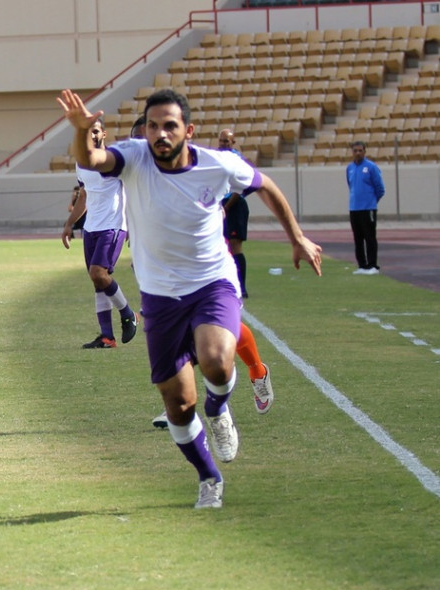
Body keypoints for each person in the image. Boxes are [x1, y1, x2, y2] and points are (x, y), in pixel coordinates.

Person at [58, 87, 323, 509]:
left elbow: (266, 185)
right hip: (161, 296)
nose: (160, 133)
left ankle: (218, 408)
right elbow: (91, 161)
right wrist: (80, 131)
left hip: (212, 283)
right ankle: (209, 477)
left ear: (188, 130)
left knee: (217, 361)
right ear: (144, 129)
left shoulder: (218, 164)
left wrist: (298, 237)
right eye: (153, 125)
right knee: (179, 406)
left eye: (170, 125)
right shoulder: (134, 157)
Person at [61, 117, 138, 349]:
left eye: (96, 131)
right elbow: (84, 195)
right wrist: (69, 224)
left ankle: (128, 313)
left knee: (98, 273)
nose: (92, 136)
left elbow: (132, 191)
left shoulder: (113, 161)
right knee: (98, 283)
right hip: (91, 228)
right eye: (88, 132)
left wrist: (134, 226)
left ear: (104, 134)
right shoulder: (81, 164)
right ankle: (107, 337)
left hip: (113, 226)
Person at [218, 129, 250, 298]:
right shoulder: (217, 158)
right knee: (222, 246)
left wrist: (227, 208)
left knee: (235, 245)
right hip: (221, 205)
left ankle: (241, 287)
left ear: (233, 142)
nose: (223, 144)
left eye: (227, 141)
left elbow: (239, 189)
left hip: (234, 205)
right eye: (221, 141)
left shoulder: (237, 160)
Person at [346, 141, 385, 275]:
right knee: (358, 238)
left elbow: (380, 188)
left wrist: (372, 202)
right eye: (355, 150)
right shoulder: (350, 168)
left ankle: (373, 265)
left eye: (360, 150)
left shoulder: (371, 167)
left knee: (370, 237)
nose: (358, 153)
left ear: (364, 152)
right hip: (354, 208)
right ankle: (362, 265)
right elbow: (350, 185)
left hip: (368, 208)